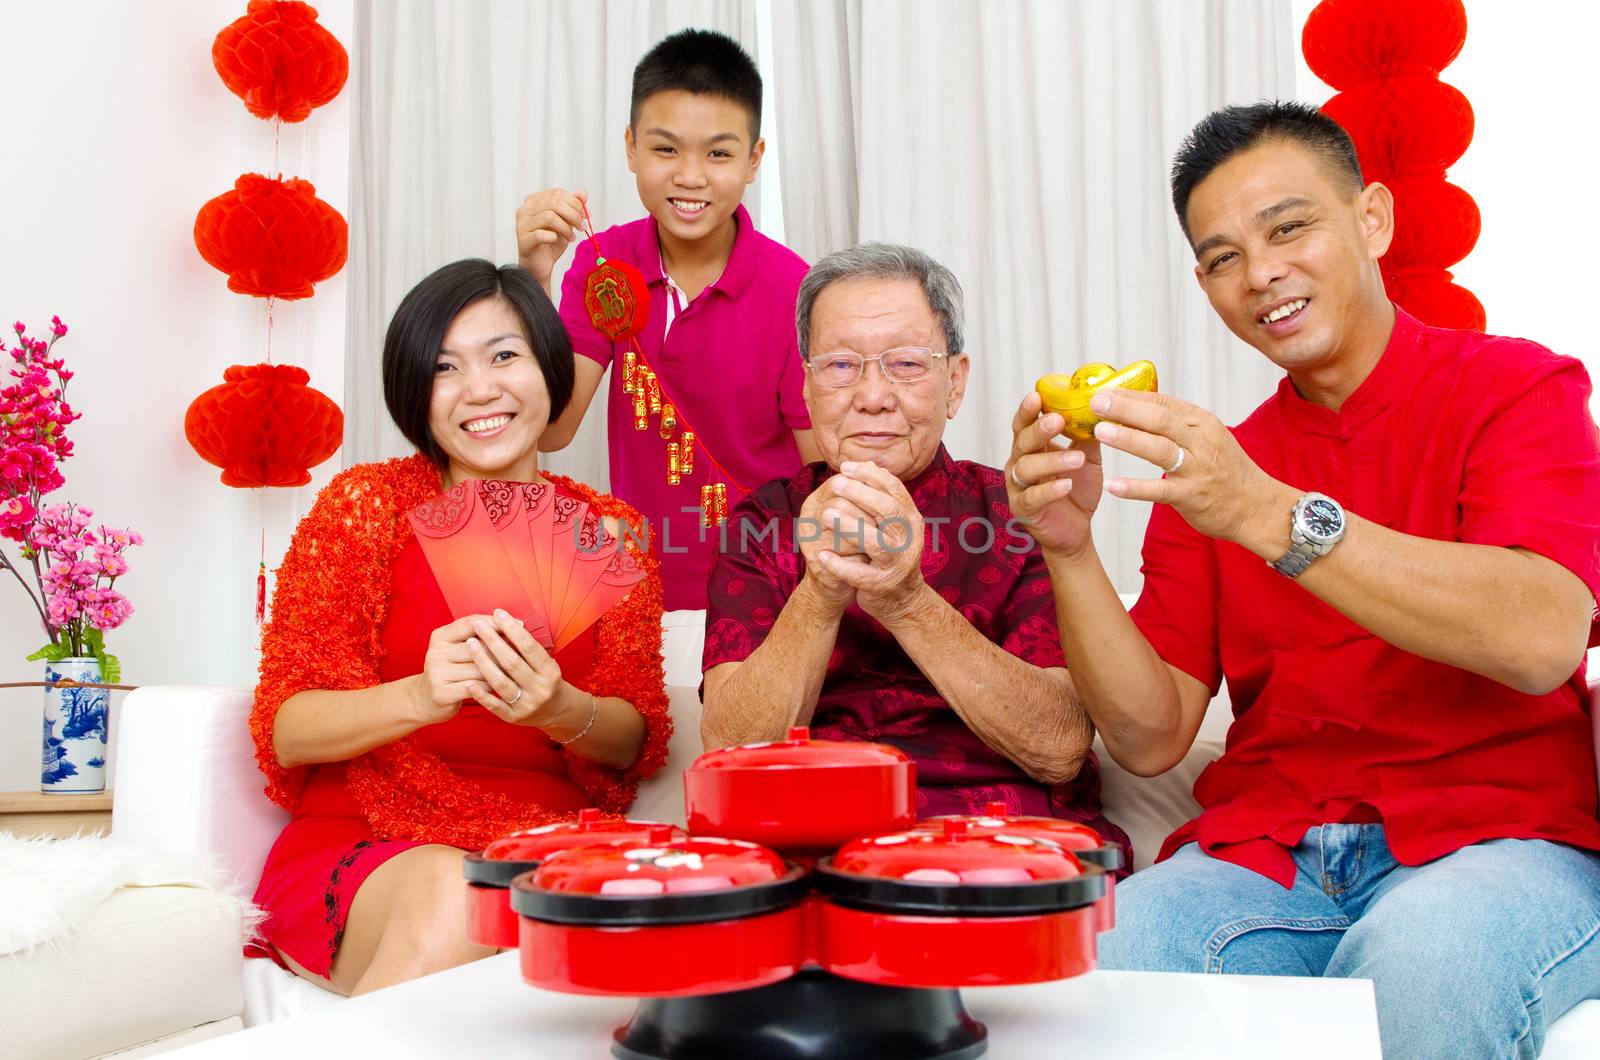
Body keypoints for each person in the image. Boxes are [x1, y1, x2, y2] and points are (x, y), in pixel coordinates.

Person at [1006, 100, 1600, 1057]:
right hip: (1270, 856)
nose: (1261, 273)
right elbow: (1151, 735)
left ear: (1372, 219)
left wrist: (1266, 514)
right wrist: (1068, 547)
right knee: (1101, 965)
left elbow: (1540, 641)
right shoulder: (1214, 469)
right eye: (1223, 257)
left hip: (1501, 844)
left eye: (1289, 227)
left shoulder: (1518, 391)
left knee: (1425, 963)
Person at [249, 259, 671, 995]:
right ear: (417, 392)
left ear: (550, 367)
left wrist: (560, 710)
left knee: (689, 902)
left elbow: (634, 741)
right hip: (375, 840)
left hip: (548, 843)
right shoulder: (364, 509)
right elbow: (286, 729)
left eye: (505, 356)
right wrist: (423, 694)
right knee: (459, 892)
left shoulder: (611, 534)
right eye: (445, 368)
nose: (481, 390)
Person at [701, 242, 1127, 853]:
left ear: (954, 383)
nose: (872, 396)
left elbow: (1060, 747)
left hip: (998, 846)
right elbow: (729, 751)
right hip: (812, 841)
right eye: (841, 366)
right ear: (808, 387)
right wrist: (821, 590)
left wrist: (906, 602)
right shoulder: (763, 523)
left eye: (904, 364)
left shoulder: (1019, 513)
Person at [514, 28, 819, 611]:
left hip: (768, 591)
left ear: (754, 159)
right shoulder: (602, 263)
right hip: (637, 589)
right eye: (665, 149)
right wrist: (534, 280)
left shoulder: (795, 288)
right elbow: (550, 430)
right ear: (630, 148)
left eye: (719, 153)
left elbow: (819, 473)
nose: (690, 176)